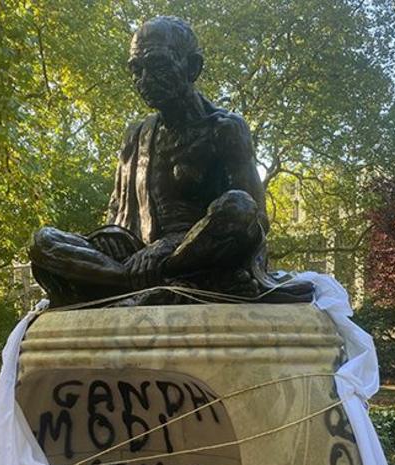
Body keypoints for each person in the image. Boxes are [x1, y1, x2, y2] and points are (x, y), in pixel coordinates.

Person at [29, 16, 312, 307]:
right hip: (135, 254)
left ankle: (123, 283)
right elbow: (117, 210)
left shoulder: (224, 129)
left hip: (195, 252)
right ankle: (143, 282)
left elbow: (256, 218)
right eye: (136, 70)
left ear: (192, 67)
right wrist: (112, 234)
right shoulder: (135, 135)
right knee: (44, 242)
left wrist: (167, 247)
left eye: (158, 66)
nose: (144, 81)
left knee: (238, 207)